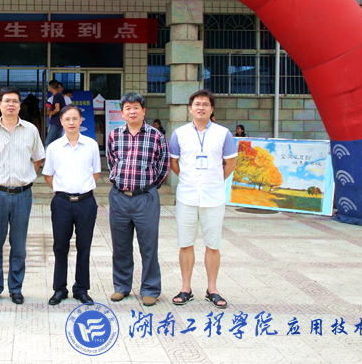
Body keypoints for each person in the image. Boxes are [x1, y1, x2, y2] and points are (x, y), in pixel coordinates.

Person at [169, 90, 237, 309]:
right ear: (190, 109)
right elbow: (174, 163)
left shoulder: (223, 134)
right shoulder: (179, 133)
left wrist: (215, 180)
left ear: (211, 109)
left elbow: (231, 163)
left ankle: (212, 289)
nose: (201, 107)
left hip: (213, 197)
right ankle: (186, 288)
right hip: (187, 197)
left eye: (205, 104)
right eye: (197, 104)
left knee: (213, 245)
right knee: (185, 243)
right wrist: (189, 179)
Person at [0, 87, 45, 306]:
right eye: (6, 101)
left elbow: (37, 158)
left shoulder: (31, 130)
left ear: (19, 105)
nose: (11, 104)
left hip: (22, 196)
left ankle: (16, 288)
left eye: (15, 101)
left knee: (19, 246)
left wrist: (25, 176)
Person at [107, 92, 169, 306]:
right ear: (122, 112)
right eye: (128, 108)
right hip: (119, 197)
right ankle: (121, 287)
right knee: (121, 246)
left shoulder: (156, 136)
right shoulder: (114, 135)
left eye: (136, 107)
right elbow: (112, 162)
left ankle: (150, 288)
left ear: (144, 111)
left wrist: (149, 188)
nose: (132, 111)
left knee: (148, 246)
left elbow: (163, 166)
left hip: (145, 198)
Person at [43, 105, 100, 306]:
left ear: (81, 120)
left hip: (86, 203)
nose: (71, 122)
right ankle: (59, 289)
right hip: (62, 203)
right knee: (60, 246)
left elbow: (96, 173)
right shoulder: (54, 147)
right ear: (61, 122)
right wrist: (63, 190)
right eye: (67, 119)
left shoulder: (91, 145)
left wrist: (80, 189)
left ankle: (81, 289)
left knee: (84, 246)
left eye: (75, 118)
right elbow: (48, 175)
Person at [44, 80, 68, 147]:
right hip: (60, 122)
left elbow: (57, 109)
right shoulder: (60, 96)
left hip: (56, 122)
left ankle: (47, 153)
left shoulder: (56, 96)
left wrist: (51, 113)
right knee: (57, 142)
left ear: (51, 87)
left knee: (48, 142)